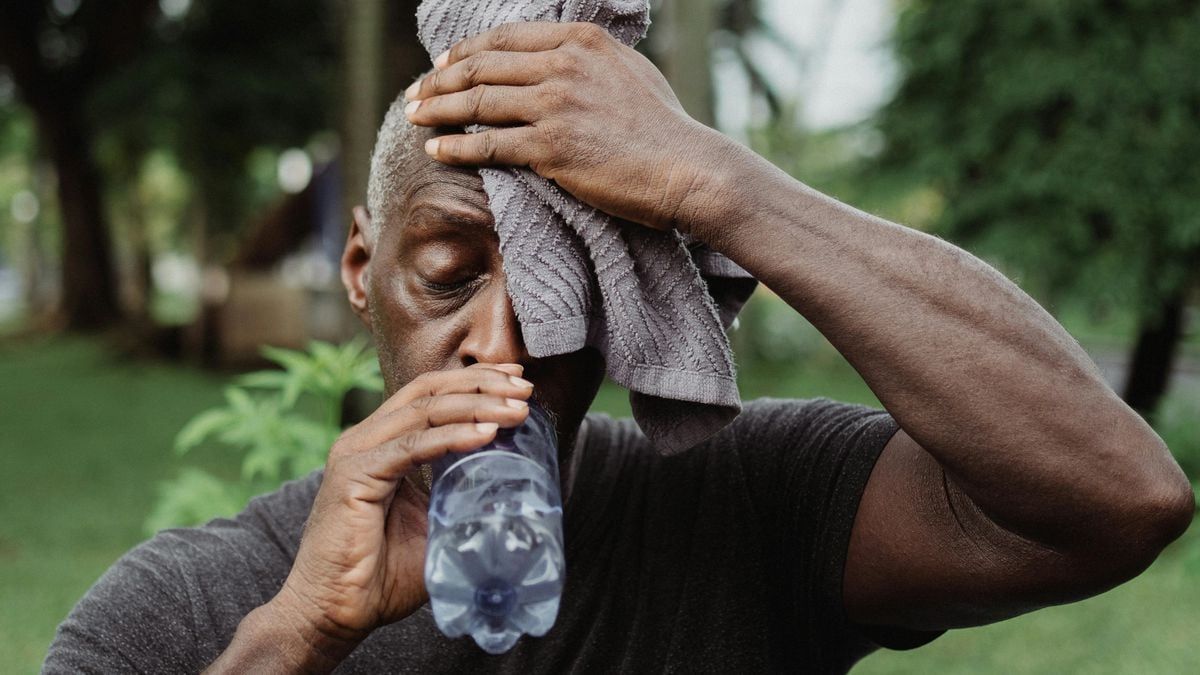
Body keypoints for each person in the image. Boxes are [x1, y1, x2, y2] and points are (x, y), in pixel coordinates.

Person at [45, 22, 1193, 674]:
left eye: (562, 285)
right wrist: (297, 635)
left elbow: (1119, 499)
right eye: (447, 273)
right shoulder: (185, 613)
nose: (498, 345)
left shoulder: (743, 512)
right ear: (361, 271)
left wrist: (717, 182)